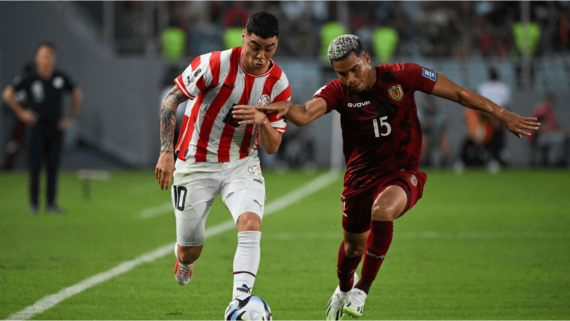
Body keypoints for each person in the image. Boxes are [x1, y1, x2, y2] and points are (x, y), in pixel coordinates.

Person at [253, 35, 539, 320]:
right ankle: (343, 289)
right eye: (342, 73)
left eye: (354, 69)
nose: (350, 78)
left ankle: (361, 291)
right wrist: (284, 108)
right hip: (359, 179)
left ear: (366, 59)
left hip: (402, 173)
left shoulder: (403, 76)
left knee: (383, 210)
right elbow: (303, 114)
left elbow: (459, 93)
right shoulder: (338, 91)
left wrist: (503, 114)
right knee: (353, 248)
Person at [154, 12, 290, 300]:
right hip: (195, 162)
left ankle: (239, 304)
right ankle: (184, 262)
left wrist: (262, 121)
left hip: (242, 163)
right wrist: (167, 151)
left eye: (270, 49)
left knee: (251, 223)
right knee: (191, 249)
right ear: (243, 36)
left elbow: (273, 146)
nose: (261, 57)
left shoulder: (278, 84)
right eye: (255, 46)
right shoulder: (214, 64)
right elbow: (170, 100)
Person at [2, 43, 82, 214]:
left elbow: (76, 93)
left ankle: (51, 203)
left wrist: (69, 116)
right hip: (37, 128)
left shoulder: (60, 78)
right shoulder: (30, 78)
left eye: (48, 55)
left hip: (55, 128)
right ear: (36, 58)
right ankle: (34, 204)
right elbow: (8, 93)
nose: (45, 59)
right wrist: (22, 113)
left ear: (53, 58)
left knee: (53, 166)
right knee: (35, 166)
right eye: (42, 55)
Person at [528, 93, 569, 166]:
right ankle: (554, 162)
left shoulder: (550, 111)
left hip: (548, 135)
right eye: (552, 102)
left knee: (562, 138)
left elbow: (555, 126)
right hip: (537, 137)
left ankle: (559, 160)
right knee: (558, 140)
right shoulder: (541, 111)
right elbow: (541, 128)